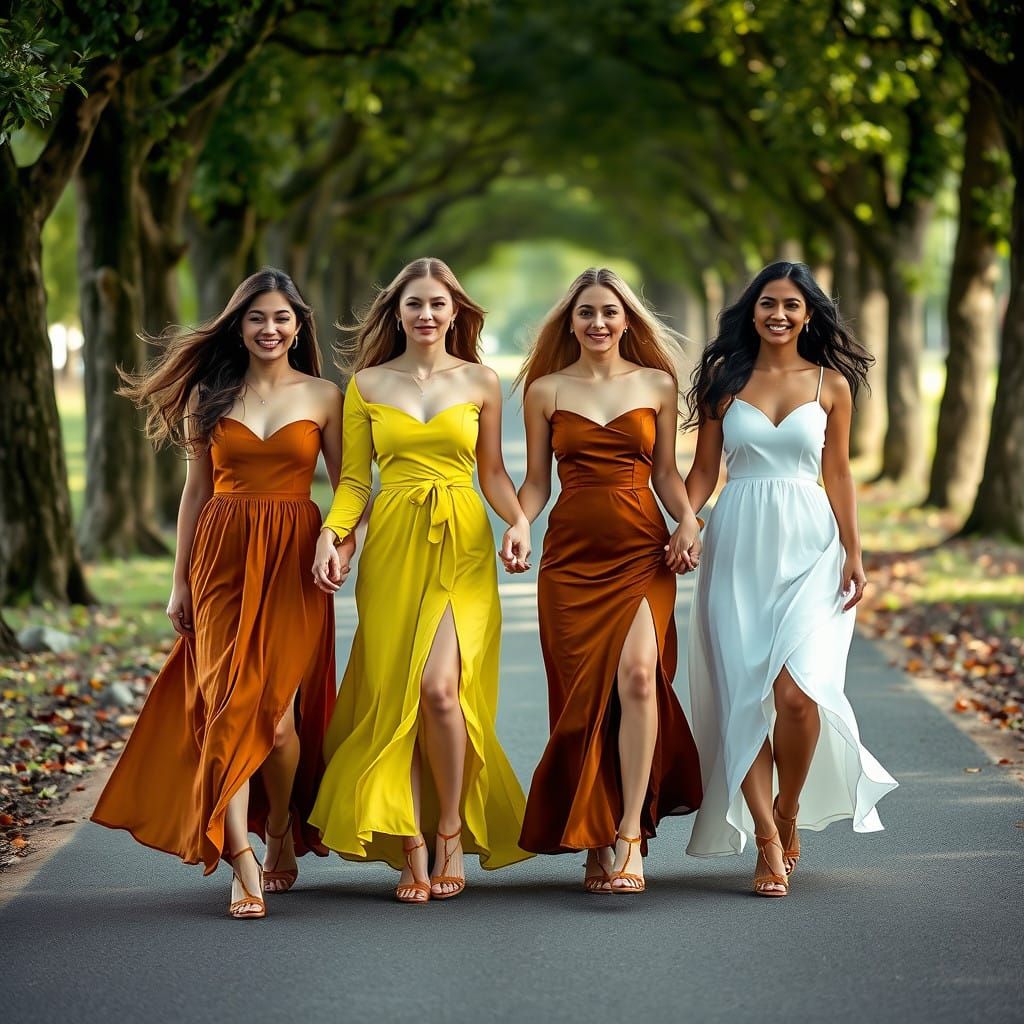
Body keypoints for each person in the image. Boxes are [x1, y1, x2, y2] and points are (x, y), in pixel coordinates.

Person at [92, 268, 347, 919]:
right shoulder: (209, 394)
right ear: (239, 325)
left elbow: (351, 486)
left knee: (281, 724)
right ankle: (241, 861)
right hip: (223, 560)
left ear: (298, 327)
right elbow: (195, 494)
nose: (270, 329)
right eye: (257, 318)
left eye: (281, 318)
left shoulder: (324, 395)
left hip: (293, 557)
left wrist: (337, 542)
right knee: (226, 705)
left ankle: (283, 825)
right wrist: (179, 579)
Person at [309, 257, 532, 903]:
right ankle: (410, 849)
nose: (428, 314)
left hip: (463, 543)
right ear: (397, 313)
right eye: (415, 304)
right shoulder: (367, 384)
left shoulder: (483, 381)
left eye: (439, 303)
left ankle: (449, 831)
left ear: (456, 311)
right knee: (397, 693)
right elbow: (354, 481)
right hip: (394, 548)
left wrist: (517, 522)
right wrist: (334, 532)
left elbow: (491, 472)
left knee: (441, 690)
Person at [683, 260, 898, 897]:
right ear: (751, 310)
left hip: (812, 545)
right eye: (768, 303)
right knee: (745, 694)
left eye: (793, 306)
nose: (779, 314)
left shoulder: (832, 385)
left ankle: (789, 806)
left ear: (809, 316)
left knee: (798, 695)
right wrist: (683, 522)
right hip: (738, 543)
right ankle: (768, 842)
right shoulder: (724, 381)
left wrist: (855, 553)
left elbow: (838, 473)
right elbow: (702, 471)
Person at [514, 267, 703, 894]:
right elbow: (538, 483)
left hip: (642, 552)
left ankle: (628, 833)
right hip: (569, 561)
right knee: (583, 702)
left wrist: (688, 521)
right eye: (586, 313)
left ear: (628, 321)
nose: (598, 323)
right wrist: (517, 523)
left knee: (641, 678)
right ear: (570, 322)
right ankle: (592, 832)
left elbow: (668, 474)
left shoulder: (656, 384)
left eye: (609, 313)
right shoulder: (544, 390)